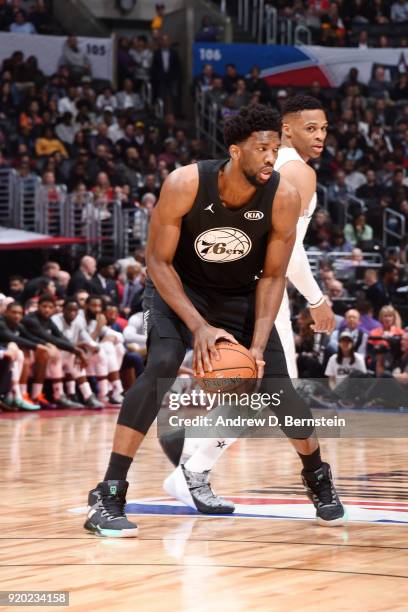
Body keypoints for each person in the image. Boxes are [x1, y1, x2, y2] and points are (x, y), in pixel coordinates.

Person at [84, 104, 345, 538]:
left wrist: (258, 347)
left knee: (278, 390)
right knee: (163, 362)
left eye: (275, 150)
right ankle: (110, 492)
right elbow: (158, 261)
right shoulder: (186, 183)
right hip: (179, 288)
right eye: (262, 149)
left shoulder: (284, 196)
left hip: (241, 294)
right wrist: (199, 327)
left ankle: (318, 479)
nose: (270, 158)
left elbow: (275, 276)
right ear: (235, 151)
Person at [160, 95, 338, 483]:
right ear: (286, 130)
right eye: (311, 128)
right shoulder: (298, 174)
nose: (321, 136)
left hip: (239, 287)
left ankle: (190, 450)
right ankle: (192, 463)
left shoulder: (270, 166)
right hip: (258, 295)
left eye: (324, 128)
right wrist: (317, 299)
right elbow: (289, 256)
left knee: (258, 393)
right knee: (270, 393)